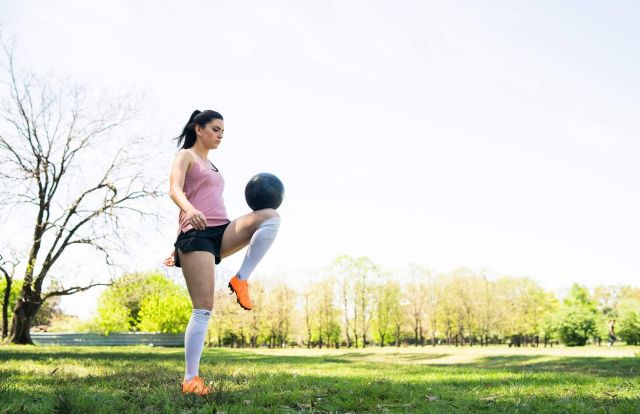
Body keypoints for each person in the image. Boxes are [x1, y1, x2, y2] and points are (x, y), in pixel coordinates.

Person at [163, 110, 281, 396]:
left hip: (221, 231)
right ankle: (191, 378)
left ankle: (241, 279)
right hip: (196, 235)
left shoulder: (212, 165)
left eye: (222, 132)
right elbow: (174, 190)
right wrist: (189, 211)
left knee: (270, 216)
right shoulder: (185, 156)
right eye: (215, 129)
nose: (220, 135)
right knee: (203, 308)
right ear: (198, 128)